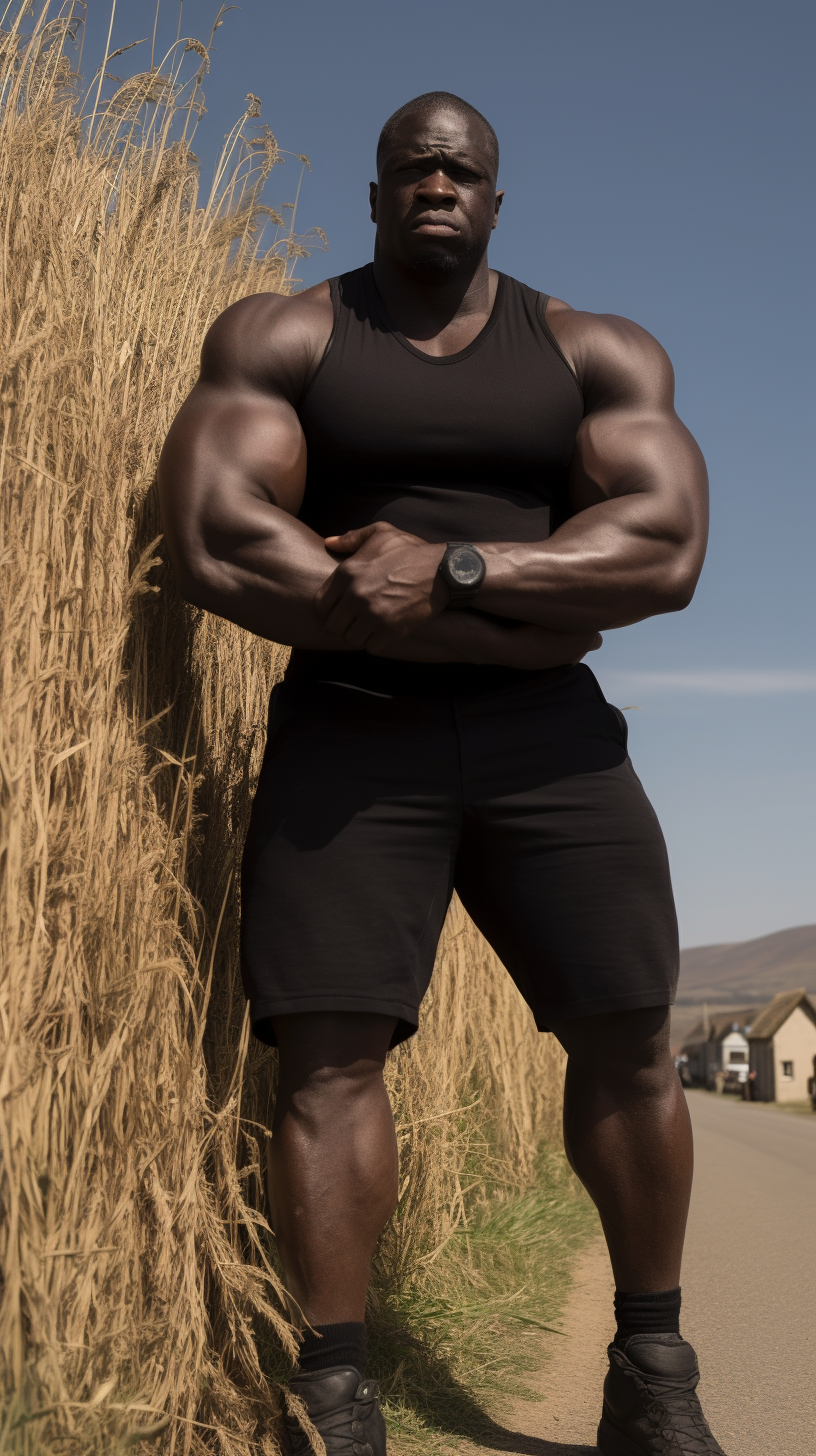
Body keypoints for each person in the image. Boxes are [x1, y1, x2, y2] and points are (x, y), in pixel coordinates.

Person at [158, 92, 725, 1456]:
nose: (435, 181)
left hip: (551, 742)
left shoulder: (591, 349)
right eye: (410, 166)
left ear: (495, 198)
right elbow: (212, 535)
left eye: (460, 167)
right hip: (354, 730)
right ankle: (337, 1397)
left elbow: (667, 551)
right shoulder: (285, 334)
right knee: (330, 1062)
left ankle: (652, 1375)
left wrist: (457, 568)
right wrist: (472, 605)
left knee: (634, 1040)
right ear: (373, 195)